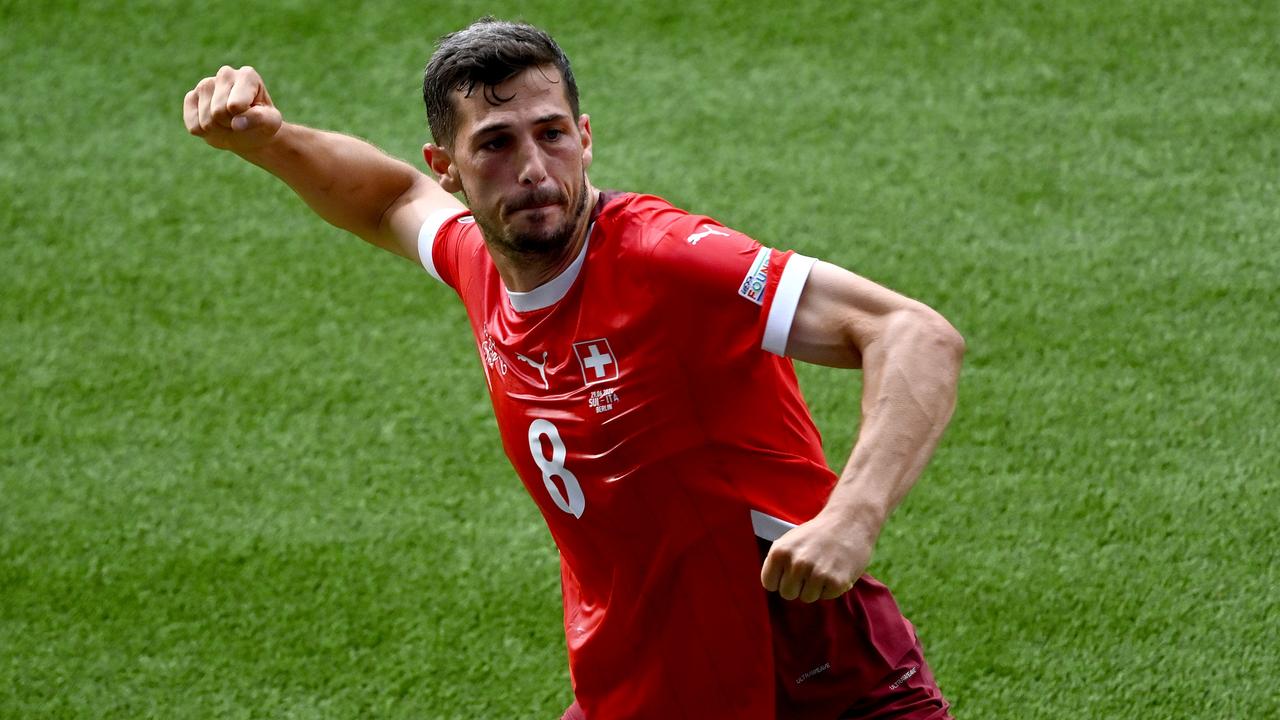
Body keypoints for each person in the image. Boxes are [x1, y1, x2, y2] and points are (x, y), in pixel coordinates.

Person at [182, 17, 964, 720]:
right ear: (447, 165)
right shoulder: (478, 261)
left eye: (551, 134)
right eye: (495, 143)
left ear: (586, 137)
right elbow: (389, 200)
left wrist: (850, 520)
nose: (532, 169)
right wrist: (264, 141)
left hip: (805, 677)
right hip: (638, 683)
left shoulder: (666, 261)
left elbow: (912, 333)